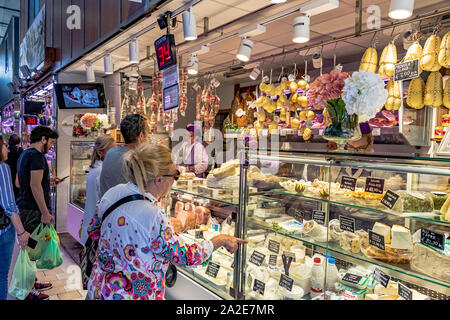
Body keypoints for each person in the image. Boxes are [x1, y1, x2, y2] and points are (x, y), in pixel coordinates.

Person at [86, 144, 246, 300]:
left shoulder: (113, 193)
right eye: (175, 175)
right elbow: (185, 257)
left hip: (99, 287)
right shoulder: (152, 215)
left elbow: (93, 231)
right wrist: (220, 240)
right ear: (158, 179)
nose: (174, 182)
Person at [16, 126, 59, 300]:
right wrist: (45, 212)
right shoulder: (37, 156)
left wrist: (46, 182)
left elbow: (20, 183)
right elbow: (34, 185)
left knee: (31, 250)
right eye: (51, 142)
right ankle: (27, 290)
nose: (51, 146)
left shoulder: (25, 154)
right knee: (30, 251)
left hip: (24, 208)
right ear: (43, 139)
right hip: (33, 211)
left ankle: (31, 282)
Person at [0, 136, 30, 300]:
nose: (8, 149)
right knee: (2, 275)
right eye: (4, 146)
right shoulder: (2, 168)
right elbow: (9, 204)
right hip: (2, 230)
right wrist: (21, 232)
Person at [99, 114, 149, 198]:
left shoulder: (110, 153)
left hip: (106, 207)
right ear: (141, 136)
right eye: (148, 132)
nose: (148, 137)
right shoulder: (136, 160)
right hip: (126, 209)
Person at [80, 135, 116, 244]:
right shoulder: (101, 171)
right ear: (101, 152)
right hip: (97, 226)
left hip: (92, 223)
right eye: (112, 151)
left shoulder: (96, 168)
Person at [6, 134, 23, 199]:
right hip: (17, 173)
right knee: (16, 192)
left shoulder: (7, 149)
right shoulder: (19, 150)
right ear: (18, 141)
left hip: (8, 172)